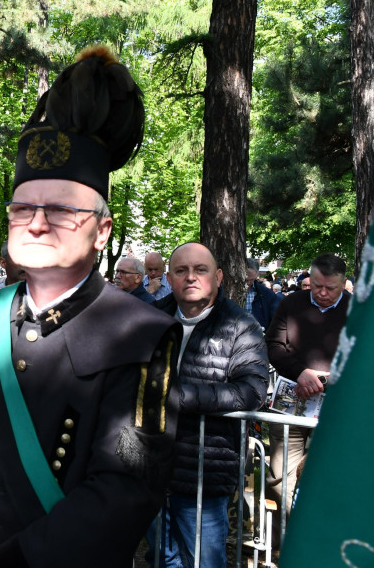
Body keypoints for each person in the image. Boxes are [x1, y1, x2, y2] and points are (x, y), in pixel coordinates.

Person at [0, 47, 181, 567]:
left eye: (59, 210)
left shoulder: (143, 334)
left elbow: (126, 491)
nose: (35, 223)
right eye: (23, 208)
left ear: (102, 230)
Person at [151, 243, 268, 567]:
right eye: (181, 270)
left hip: (204, 468)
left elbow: (252, 391)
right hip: (148, 465)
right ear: (169, 277)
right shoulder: (148, 320)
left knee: (204, 560)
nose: (191, 277)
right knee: (161, 557)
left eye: (200, 270)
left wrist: (179, 397)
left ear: (218, 277)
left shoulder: (241, 327)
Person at [265, 253, 351, 537]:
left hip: (338, 407)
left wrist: (331, 379)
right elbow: (274, 346)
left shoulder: (357, 311)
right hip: (291, 401)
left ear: (344, 284)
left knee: (333, 473)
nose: (323, 293)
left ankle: (325, 537)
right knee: (279, 476)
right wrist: (300, 372)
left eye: (331, 288)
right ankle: (289, 539)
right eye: (316, 286)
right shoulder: (291, 303)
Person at [244, 257, 282, 330]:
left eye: (251, 280)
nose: (248, 283)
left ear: (257, 274)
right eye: (246, 280)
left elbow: (274, 319)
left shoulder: (266, 294)